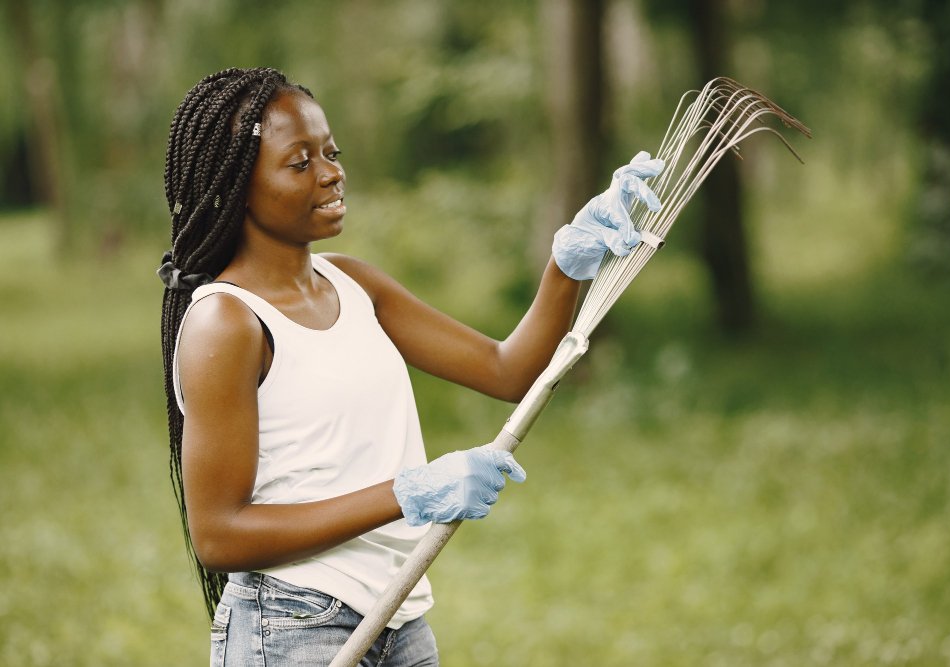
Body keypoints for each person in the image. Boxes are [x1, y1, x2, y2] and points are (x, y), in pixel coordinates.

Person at [158, 67, 662, 667]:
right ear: (238, 185)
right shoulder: (228, 324)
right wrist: (407, 493)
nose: (331, 173)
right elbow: (219, 534)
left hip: (398, 617)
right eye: (300, 162)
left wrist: (564, 266)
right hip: (293, 627)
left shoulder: (354, 283)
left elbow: (507, 371)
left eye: (331, 152)